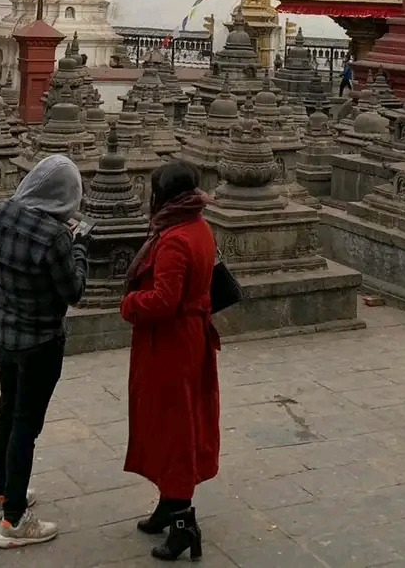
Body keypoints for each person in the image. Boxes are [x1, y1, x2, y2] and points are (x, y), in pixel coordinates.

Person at [0, 155, 89, 548]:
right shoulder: (55, 236)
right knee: (26, 425)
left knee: (7, 412)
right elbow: (73, 291)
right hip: (41, 340)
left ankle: (2, 493)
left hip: (4, 333)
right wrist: (79, 248)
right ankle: (13, 521)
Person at [121, 161, 220, 562]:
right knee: (168, 420)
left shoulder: (175, 238)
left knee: (174, 423)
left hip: (172, 342)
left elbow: (164, 300)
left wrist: (129, 303)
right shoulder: (198, 225)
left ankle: (183, 522)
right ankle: (168, 501)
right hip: (186, 337)